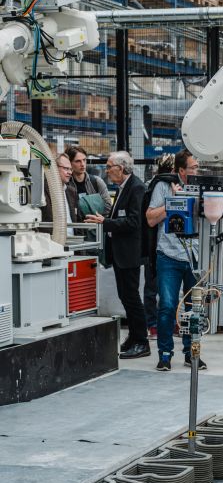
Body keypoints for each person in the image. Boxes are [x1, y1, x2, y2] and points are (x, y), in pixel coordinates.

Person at [87, 150, 149, 359]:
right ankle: (134, 336)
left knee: (131, 297)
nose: (106, 171)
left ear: (120, 168)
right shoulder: (123, 188)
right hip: (121, 253)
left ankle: (141, 341)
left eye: (109, 167)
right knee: (125, 296)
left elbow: (134, 222)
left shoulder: (136, 188)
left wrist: (105, 222)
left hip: (129, 253)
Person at [145, 149, 200, 372]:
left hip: (195, 257)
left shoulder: (201, 187)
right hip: (168, 255)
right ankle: (165, 354)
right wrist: (173, 202)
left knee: (194, 308)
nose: (197, 171)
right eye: (193, 168)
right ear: (181, 170)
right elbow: (150, 219)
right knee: (167, 305)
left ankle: (192, 353)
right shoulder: (163, 186)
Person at [142, 153, 176, 341]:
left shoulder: (154, 184)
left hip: (159, 244)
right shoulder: (157, 187)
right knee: (154, 287)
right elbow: (150, 218)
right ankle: (154, 324)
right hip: (156, 244)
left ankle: (159, 324)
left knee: (160, 288)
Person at [39, 153, 76, 228]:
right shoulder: (41, 189)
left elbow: (77, 219)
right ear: (54, 168)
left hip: (71, 235)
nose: (70, 172)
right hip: (52, 235)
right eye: (66, 168)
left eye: (70, 169)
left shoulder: (72, 191)